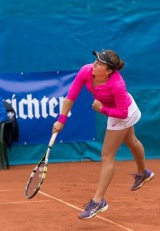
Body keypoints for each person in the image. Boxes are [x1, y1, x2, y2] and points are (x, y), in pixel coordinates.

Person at [52, 50, 154, 219]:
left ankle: (98, 201)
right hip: (118, 109)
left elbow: (122, 113)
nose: (94, 65)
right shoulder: (86, 70)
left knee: (107, 155)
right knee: (131, 141)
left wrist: (102, 110)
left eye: (99, 64)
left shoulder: (117, 85)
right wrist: (62, 119)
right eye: (95, 61)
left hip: (122, 112)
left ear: (108, 71)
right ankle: (144, 173)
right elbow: (71, 96)